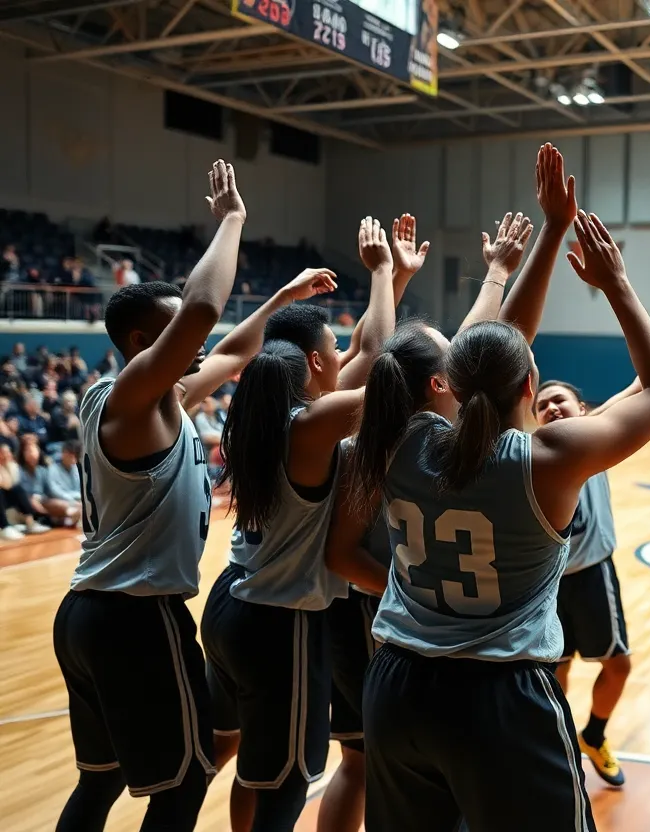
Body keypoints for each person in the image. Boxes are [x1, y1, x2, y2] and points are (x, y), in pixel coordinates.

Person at [349, 211, 650, 831]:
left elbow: (489, 346)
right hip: (500, 694)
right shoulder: (547, 461)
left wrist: (515, 262)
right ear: (530, 385)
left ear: (445, 385)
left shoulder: (390, 441)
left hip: (396, 683)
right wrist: (613, 283)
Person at [319, 143, 576, 832]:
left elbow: (477, 344)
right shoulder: (472, 453)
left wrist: (487, 272)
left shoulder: (378, 436)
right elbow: (493, 344)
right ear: (442, 384)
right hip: (454, 660)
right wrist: (550, 236)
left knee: (377, 780)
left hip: (401, 663)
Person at [50, 160, 253, 830]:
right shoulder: (135, 399)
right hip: (137, 618)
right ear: (143, 345)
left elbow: (230, 352)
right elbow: (202, 310)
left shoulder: (148, 398)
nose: (194, 348)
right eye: (176, 340)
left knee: (98, 784)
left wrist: (282, 300)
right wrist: (231, 220)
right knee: (186, 779)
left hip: (89, 613)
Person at [199, 216, 404, 831]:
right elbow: (382, 363)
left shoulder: (261, 422)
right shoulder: (310, 429)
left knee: (253, 769)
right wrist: (384, 272)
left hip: (230, 601)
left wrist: (387, 283)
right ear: (317, 364)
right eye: (332, 352)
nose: (342, 356)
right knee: (286, 788)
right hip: (278, 626)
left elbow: (358, 353)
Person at [537, 270, 650, 788]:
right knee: (552, 674)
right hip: (545, 584)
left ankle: (593, 733)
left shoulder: (593, 443)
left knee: (616, 667)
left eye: (561, 402)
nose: (552, 406)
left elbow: (648, 385)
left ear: (585, 413)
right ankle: (558, 741)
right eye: (542, 404)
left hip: (593, 574)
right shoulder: (532, 458)